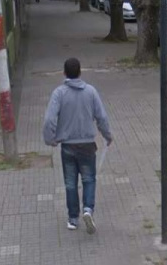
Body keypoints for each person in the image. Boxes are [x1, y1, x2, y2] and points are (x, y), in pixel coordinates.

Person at [43, 58, 113, 234]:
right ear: (80, 72)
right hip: (87, 145)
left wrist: (50, 139)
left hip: (67, 146)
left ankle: (73, 219)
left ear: (64, 73)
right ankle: (88, 209)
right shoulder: (91, 92)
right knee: (89, 179)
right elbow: (101, 117)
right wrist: (107, 135)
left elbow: (49, 119)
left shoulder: (59, 93)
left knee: (70, 183)